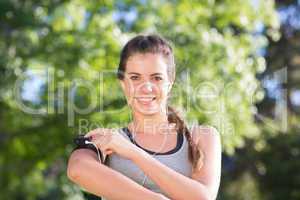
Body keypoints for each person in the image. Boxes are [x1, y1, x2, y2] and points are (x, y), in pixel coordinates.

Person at [67, 34, 221, 200]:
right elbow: (77, 169)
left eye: (156, 78)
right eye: (135, 77)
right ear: (123, 83)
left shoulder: (202, 136)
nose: (146, 88)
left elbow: (203, 198)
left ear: (170, 82)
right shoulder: (109, 141)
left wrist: (133, 152)